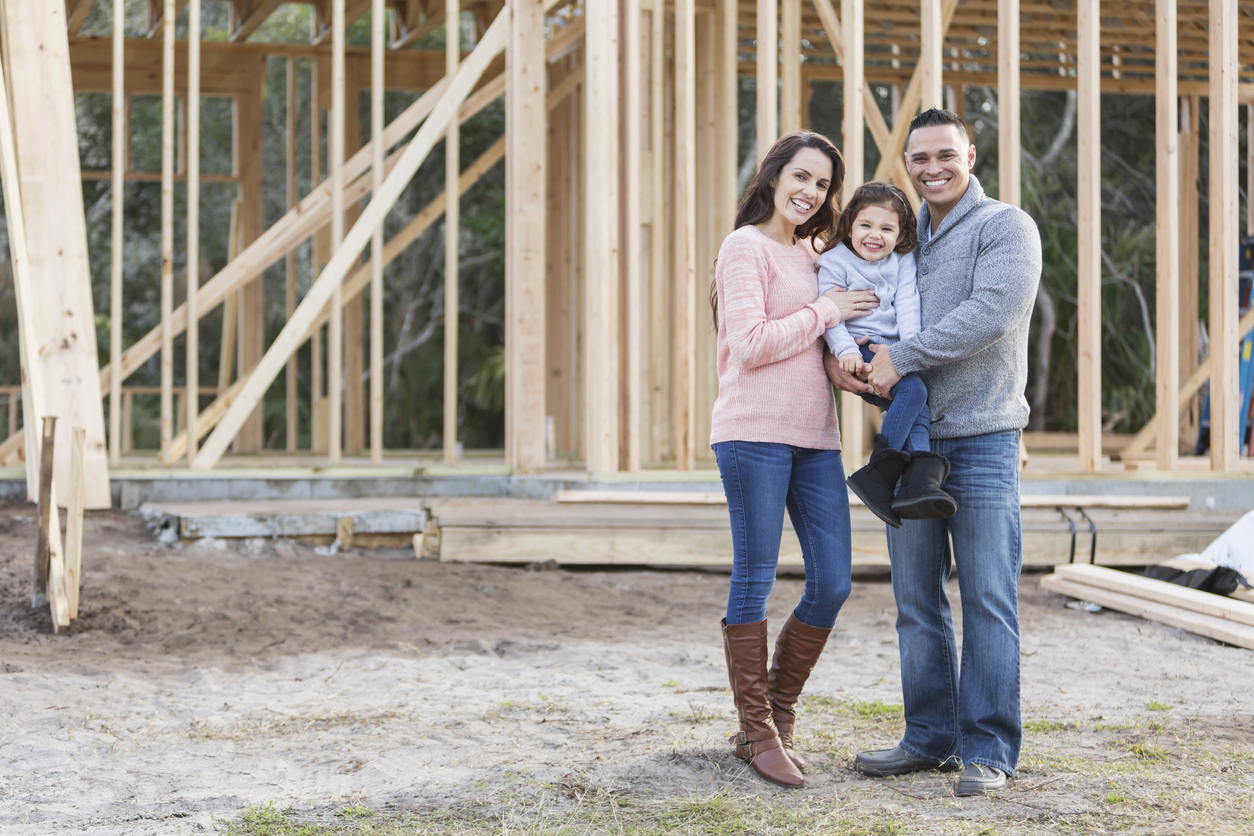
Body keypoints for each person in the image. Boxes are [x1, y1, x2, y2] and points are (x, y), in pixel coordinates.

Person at [825, 109, 1042, 796]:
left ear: (970, 154)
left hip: (980, 439)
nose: (933, 167)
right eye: (920, 158)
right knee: (917, 599)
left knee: (985, 597)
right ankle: (928, 738)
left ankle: (988, 750)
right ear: (909, 165)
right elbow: (878, 334)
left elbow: (991, 314)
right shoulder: (902, 241)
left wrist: (900, 357)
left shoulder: (1005, 227)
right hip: (909, 441)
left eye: (945, 153)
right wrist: (854, 370)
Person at [710, 131, 878, 788]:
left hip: (816, 438)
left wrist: (848, 366)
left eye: (823, 185)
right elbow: (749, 345)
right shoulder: (744, 247)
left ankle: (778, 712)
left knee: (833, 580)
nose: (811, 193)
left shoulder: (816, 256)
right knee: (754, 575)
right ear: (774, 175)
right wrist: (825, 309)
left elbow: (813, 344)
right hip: (752, 432)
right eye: (801, 177)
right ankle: (757, 731)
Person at [816, 181, 956, 528]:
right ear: (850, 225)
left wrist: (905, 352)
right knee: (915, 392)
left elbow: (908, 303)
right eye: (866, 225)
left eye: (886, 228)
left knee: (915, 399)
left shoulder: (901, 261)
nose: (874, 235)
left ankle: (918, 480)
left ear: (901, 233)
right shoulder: (835, 261)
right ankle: (881, 469)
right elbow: (829, 312)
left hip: (893, 351)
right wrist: (845, 350)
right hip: (858, 345)